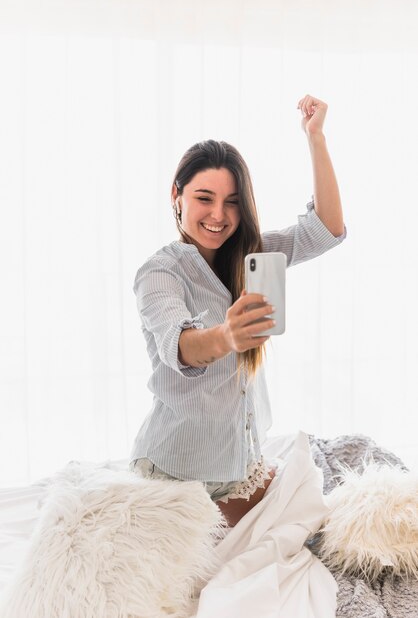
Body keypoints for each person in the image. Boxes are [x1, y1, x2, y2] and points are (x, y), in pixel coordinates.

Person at [129, 94, 346, 527]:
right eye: (204, 198)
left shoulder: (252, 253)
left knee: (313, 519)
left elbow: (326, 230)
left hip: (241, 463)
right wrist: (226, 336)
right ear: (177, 195)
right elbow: (181, 345)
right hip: (176, 475)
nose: (218, 215)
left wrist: (315, 137)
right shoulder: (159, 272)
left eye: (231, 202)